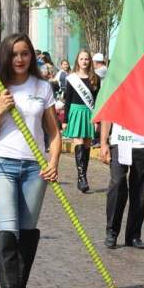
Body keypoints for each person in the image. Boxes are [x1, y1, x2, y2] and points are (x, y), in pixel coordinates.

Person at [0, 33, 61, 288]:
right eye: (14, 53)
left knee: (26, 237)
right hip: (1, 164)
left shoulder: (43, 88)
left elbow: (53, 133)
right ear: (6, 56)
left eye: (25, 53)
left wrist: (53, 163)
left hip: (34, 169)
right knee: (7, 233)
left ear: (32, 56)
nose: (19, 59)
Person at [99, 121, 144, 250]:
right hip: (120, 141)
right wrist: (103, 142)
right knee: (117, 184)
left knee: (139, 191)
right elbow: (107, 114)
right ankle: (111, 231)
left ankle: (133, 235)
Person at [63, 50, 100, 193]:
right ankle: (81, 177)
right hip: (76, 112)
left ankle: (84, 175)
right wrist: (65, 120)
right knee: (78, 143)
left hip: (89, 113)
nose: (84, 61)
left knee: (86, 145)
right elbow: (67, 100)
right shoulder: (72, 78)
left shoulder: (95, 78)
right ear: (77, 61)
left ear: (90, 61)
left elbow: (97, 101)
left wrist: (97, 118)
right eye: (81, 59)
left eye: (86, 59)